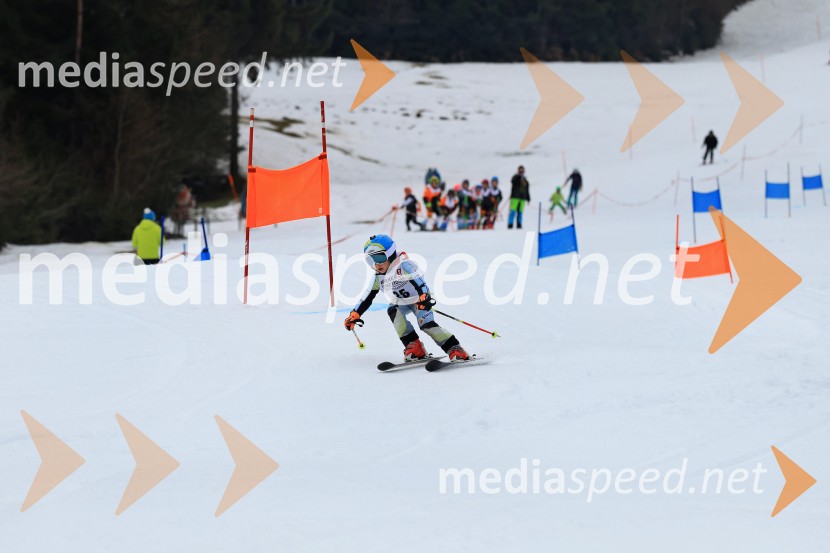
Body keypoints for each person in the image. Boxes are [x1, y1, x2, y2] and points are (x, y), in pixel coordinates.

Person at [344, 235, 470, 362]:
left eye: (379, 258)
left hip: (418, 300)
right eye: (371, 260)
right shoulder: (378, 276)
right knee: (393, 310)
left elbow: (419, 281)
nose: (376, 264)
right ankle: (415, 348)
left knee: (426, 325)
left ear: (391, 254)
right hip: (401, 303)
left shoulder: (404, 265)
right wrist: (355, 314)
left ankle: (455, 348)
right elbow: (367, 297)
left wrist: (424, 296)